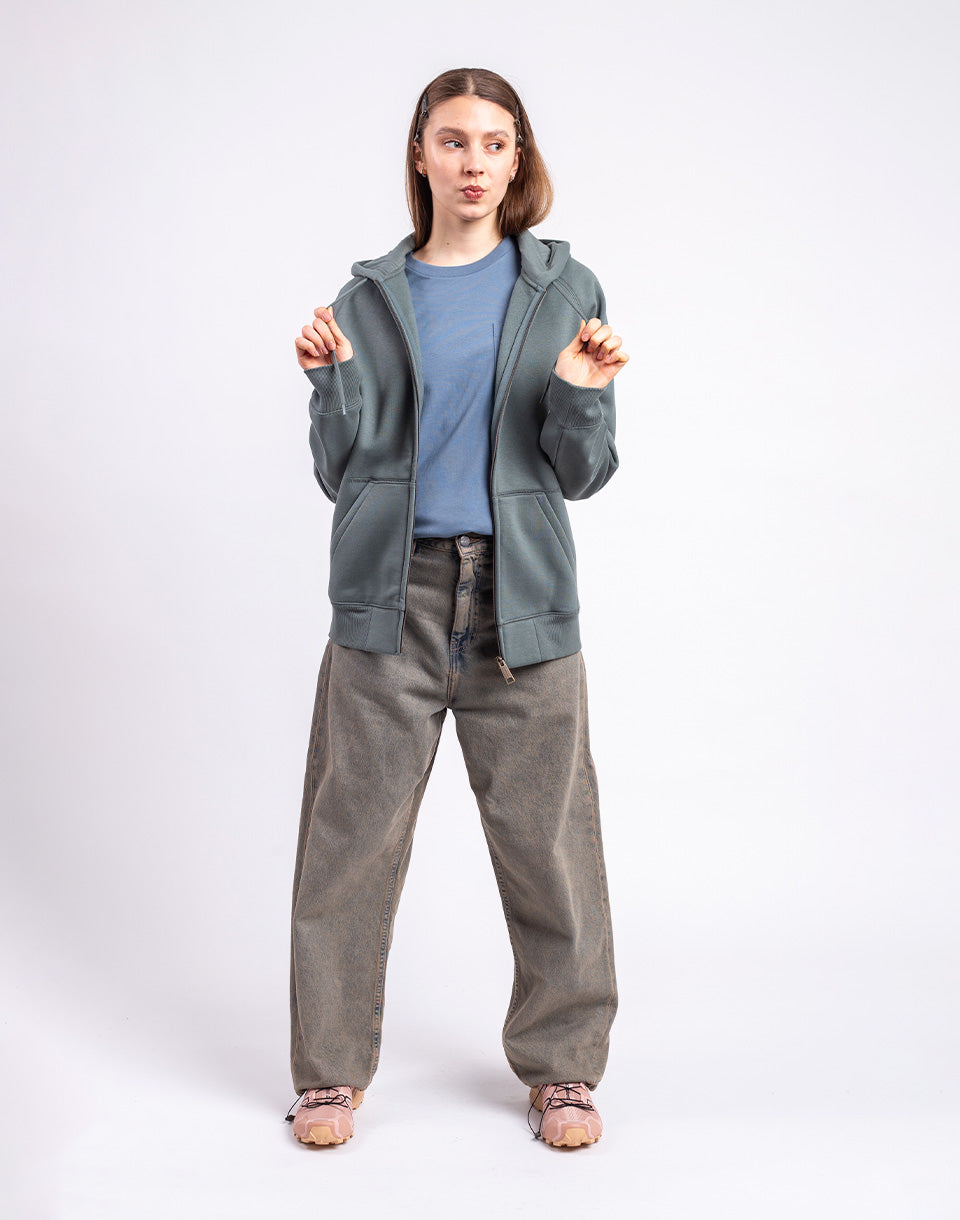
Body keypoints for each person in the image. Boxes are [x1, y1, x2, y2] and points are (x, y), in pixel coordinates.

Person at [287, 67, 629, 1150]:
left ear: (517, 157)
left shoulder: (566, 291)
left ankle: (564, 1071)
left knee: (550, 844)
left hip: (522, 596)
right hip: (389, 598)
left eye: (493, 142)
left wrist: (580, 392)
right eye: (453, 140)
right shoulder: (365, 301)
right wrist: (331, 386)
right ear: (421, 154)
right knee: (348, 840)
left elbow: (583, 472)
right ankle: (329, 1073)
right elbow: (339, 472)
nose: (474, 162)